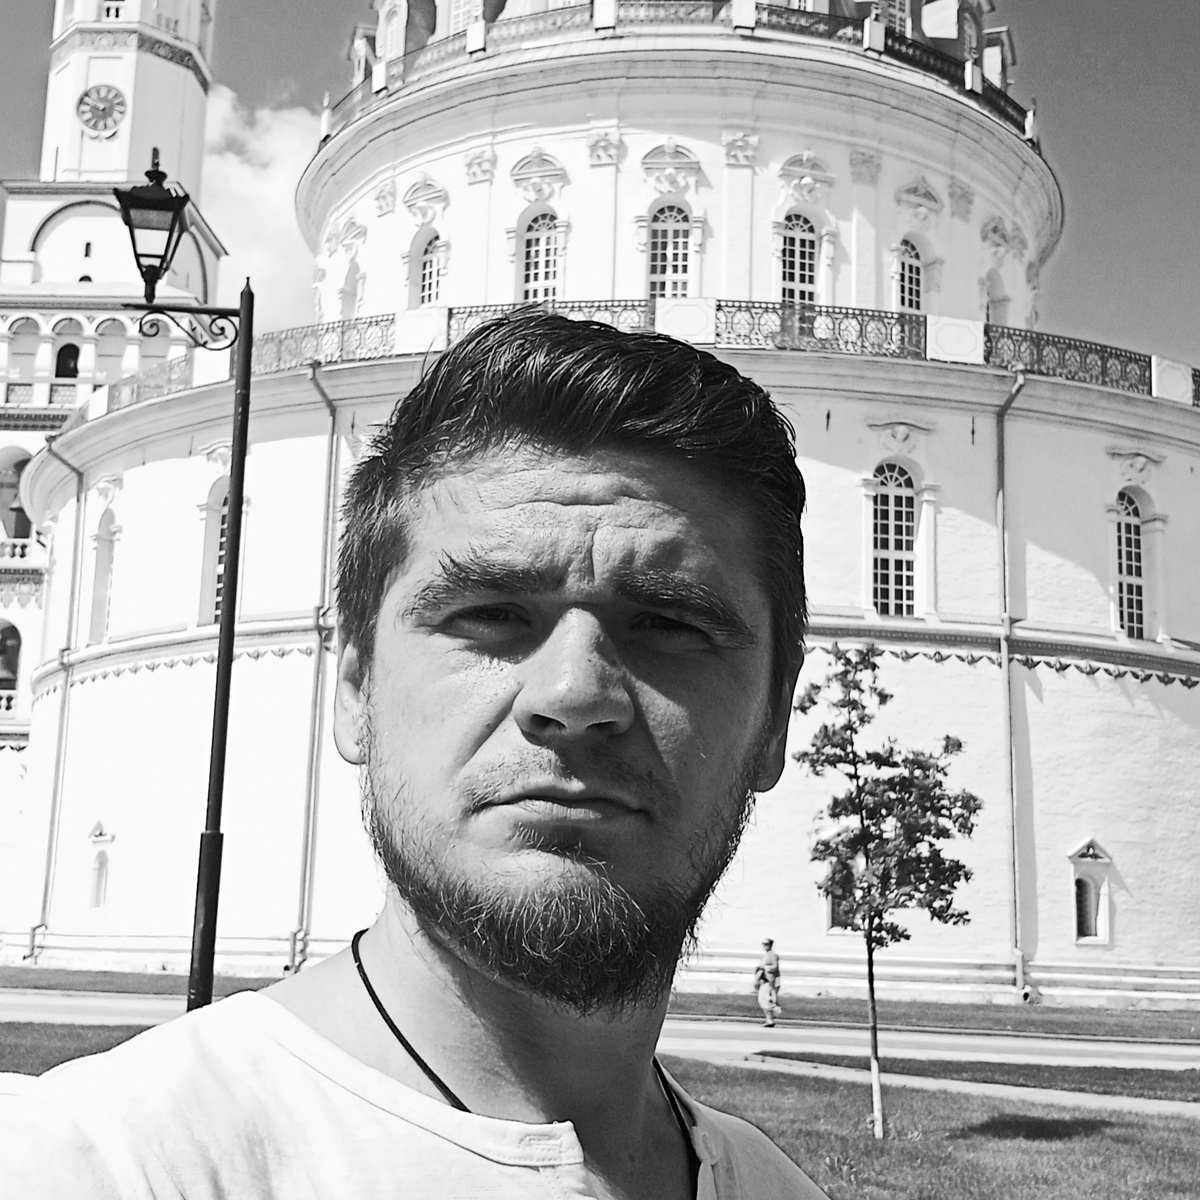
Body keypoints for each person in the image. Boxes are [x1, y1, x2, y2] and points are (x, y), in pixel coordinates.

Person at [0, 311, 827, 1199]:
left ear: (773, 720)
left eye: (668, 623)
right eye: (491, 615)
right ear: (355, 686)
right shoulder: (89, 1165)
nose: (573, 694)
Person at [753, 938, 783, 1027]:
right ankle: (769, 1020)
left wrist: (764, 968)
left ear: (770, 945)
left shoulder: (772, 955)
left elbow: (775, 967)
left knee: (764, 1000)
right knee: (763, 999)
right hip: (764, 980)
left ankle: (775, 1009)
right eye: (763, 944)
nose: (764, 946)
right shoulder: (766, 955)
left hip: (769, 981)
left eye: (766, 944)